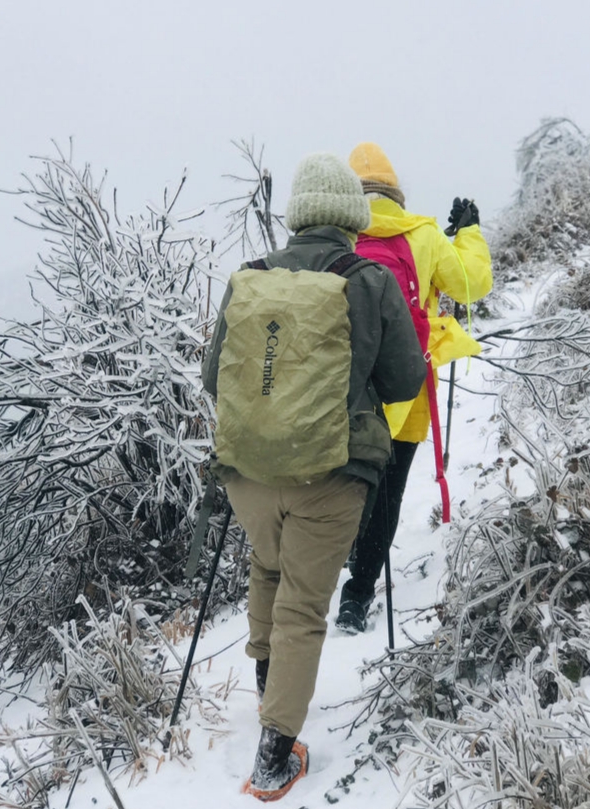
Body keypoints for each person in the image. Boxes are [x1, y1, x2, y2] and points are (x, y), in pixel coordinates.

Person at [201, 152, 426, 801]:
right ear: (352, 218)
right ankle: (275, 756)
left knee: (267, 569)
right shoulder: (369, 278)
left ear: (297, 215)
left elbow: (212, 373)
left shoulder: (249, 277)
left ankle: (269, 687)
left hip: (248, 471)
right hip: (330, 473)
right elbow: (404, 379)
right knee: (302, 604)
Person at [336, 141, 493, 635]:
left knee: (348, 481)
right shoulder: (422, 233)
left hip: (345, 388)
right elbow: (470, 284)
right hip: (407, 383)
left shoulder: (337, 236)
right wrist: (468, 232)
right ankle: (358, 595)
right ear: (395, 192)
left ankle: (335, 562)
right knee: (389, 487)